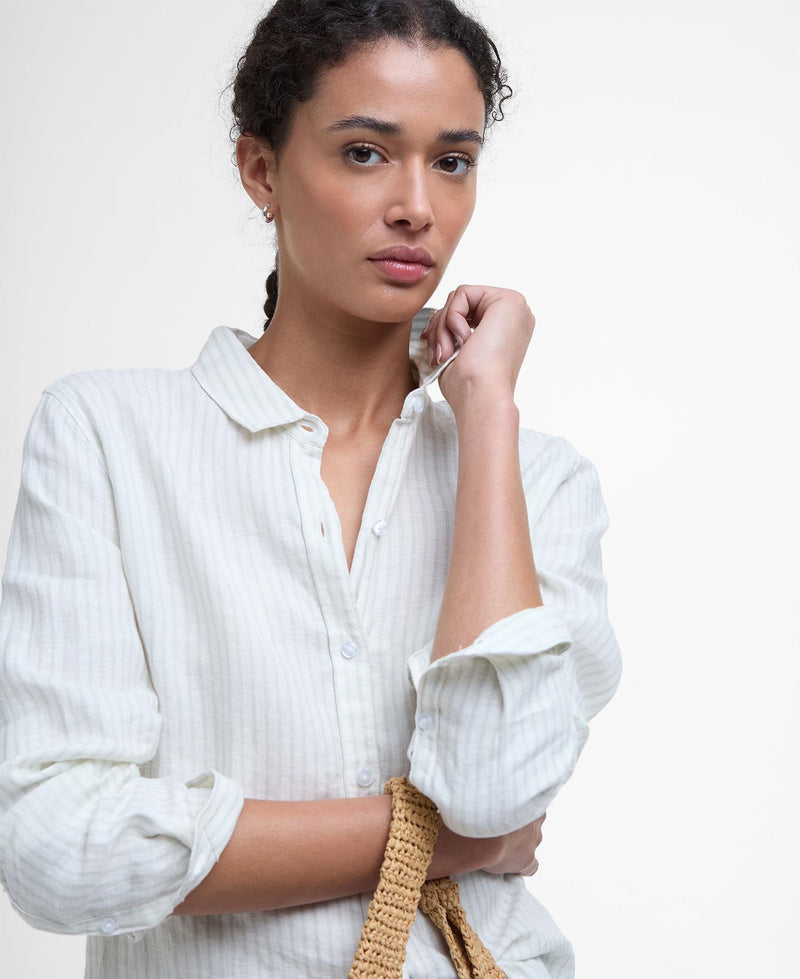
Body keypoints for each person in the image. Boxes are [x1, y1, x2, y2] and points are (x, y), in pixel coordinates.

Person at [0, 0, 621, 976]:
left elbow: (492, 788)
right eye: (366, 152)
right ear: (261, 170)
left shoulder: (535, 479)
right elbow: (58, 847)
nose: (416, 202)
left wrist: (487, 415)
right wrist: (440, 846)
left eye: (450, 161)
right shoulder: (108, 438)